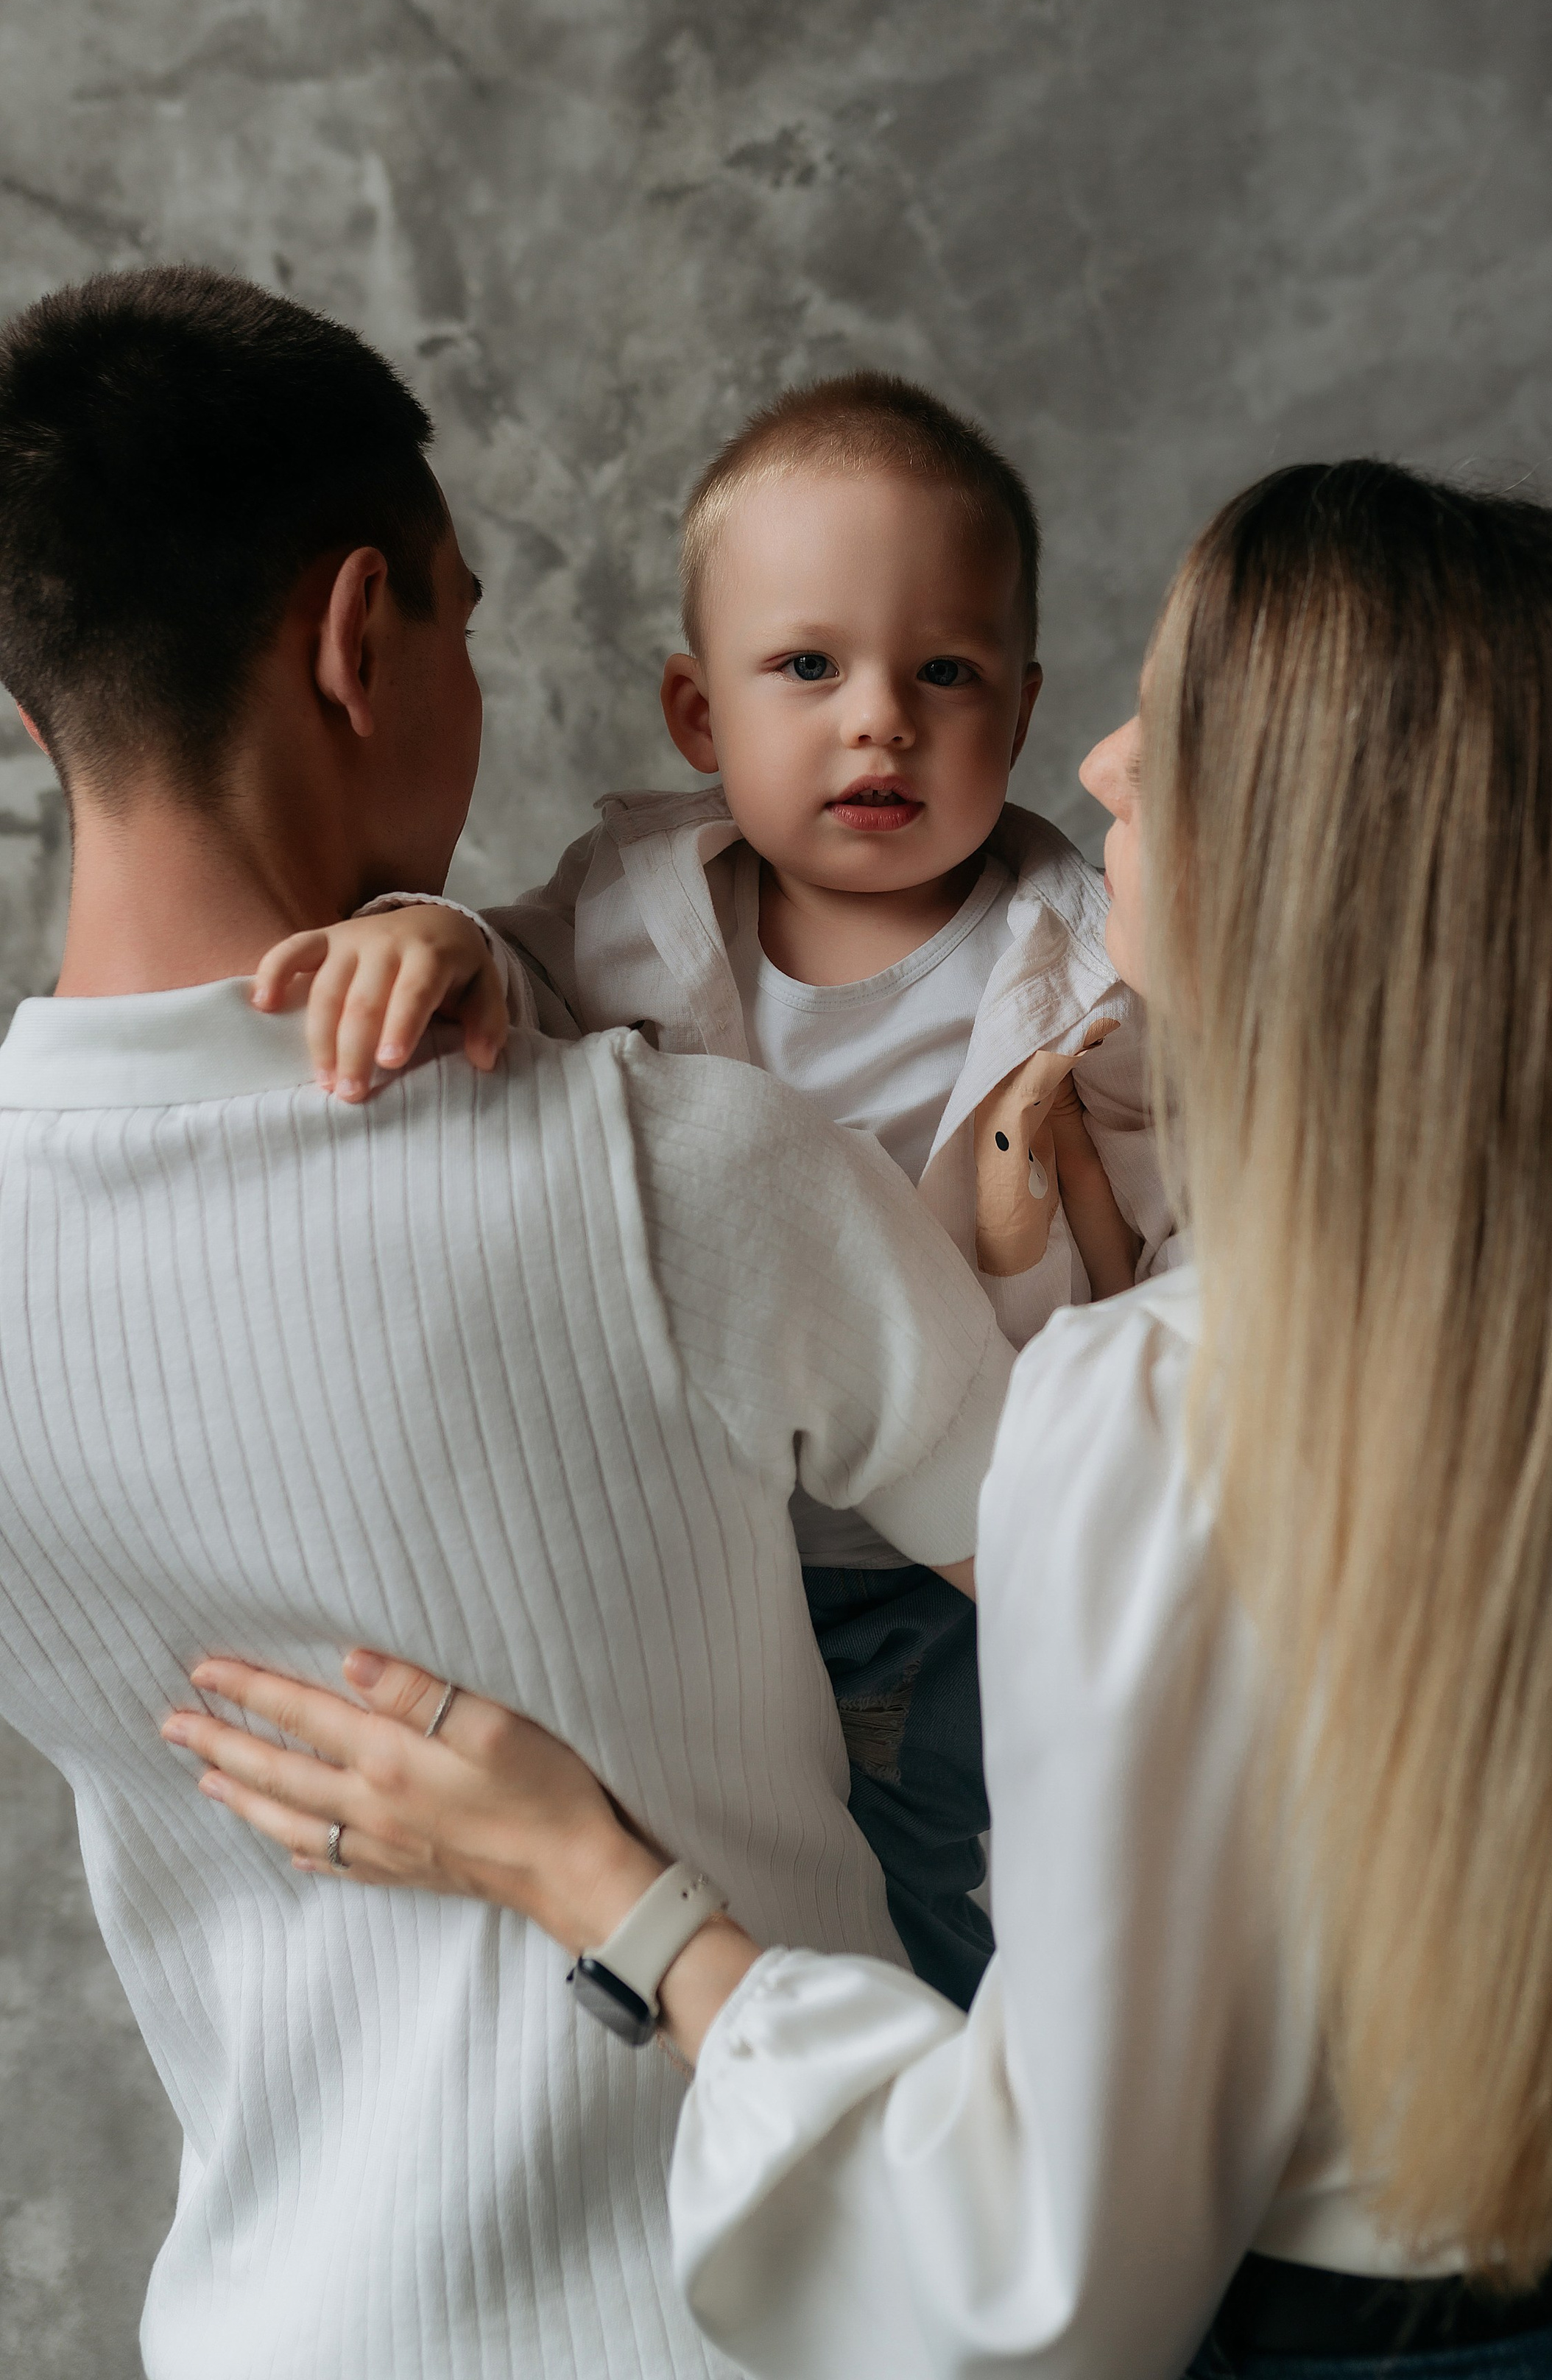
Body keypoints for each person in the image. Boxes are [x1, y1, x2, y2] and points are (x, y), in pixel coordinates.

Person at [174, 462, 1552, 2380]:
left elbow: (1034, 2278)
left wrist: (603, 1885)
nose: (1109, 755)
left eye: (1186, 722)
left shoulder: (1166, 1411)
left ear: (1335, 869)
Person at [0, 265, 1012, 2380]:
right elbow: (1170, 1609)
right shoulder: (672, 1176)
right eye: (458, 612)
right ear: (359, 632)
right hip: (769, 2318)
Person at [246, 372, 1175, 2008]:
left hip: (944, 1560)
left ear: (1018, 712)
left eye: (940, 672)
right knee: (692, 1864)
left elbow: (1193, 1230)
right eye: (806, 668)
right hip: (692, 1540)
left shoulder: (1092, 961)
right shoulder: (634, 907)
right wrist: (437, 932)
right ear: (699, 716)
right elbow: (508, 993)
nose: (876, 716)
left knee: (941, 1889)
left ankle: (948, 2131)